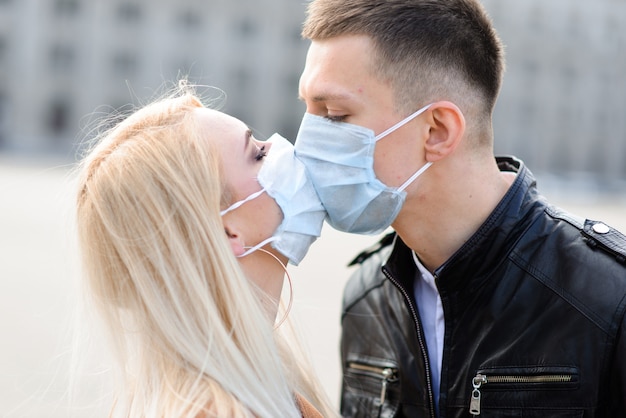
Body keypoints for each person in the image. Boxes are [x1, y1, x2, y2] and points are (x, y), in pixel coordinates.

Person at [293, 0, 626, 417]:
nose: (307, 143)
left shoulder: (608, 299)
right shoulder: (367, 297)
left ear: (437, 130)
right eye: (308, 111)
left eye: (335, 116)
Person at [74, 83, 336, 418]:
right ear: (227, 232)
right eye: (257, 154)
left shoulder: (248, 384)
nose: (282, 147)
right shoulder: (218, 408)